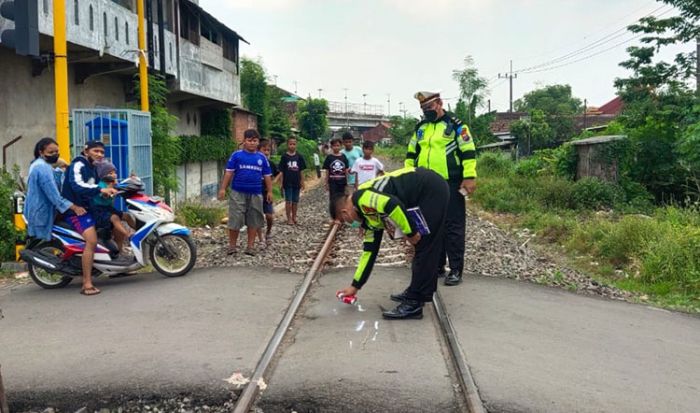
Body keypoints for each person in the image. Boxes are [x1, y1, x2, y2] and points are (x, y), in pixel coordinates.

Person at [334, 167, 448, 320]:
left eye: (344, 222)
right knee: (423, 246)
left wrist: (410, 232)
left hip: (430, 187)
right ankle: (418, 290)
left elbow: (392, 204)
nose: (348, 224)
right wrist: (355, 286)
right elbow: (369, 251)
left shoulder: (361, 197)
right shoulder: (367, 219)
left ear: (344, 212)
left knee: (424, 244)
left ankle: (414, 303)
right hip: (420, 193)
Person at [405, 90, 477, 286]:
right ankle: (437, 266)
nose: (426, 111)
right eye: (423, 108)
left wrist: (469, 176)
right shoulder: (421, 128)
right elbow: (411, 153)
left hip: (450, 183)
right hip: (425, 185)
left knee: (452, 226)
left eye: (429, 107)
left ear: (439, 103)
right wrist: (409, 177)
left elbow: (468, 152)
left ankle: (455, 270)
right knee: (429, 226)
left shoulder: (456, 126)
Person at [62, 140, 119, 296]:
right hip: (76, 210)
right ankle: (86, 283)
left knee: (114, 219)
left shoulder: (93, 167)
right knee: (92, 241)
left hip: (89, 207)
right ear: (86, 151)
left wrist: (109, 189)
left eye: (102, 152)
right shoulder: (78, 164)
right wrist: (101, 190)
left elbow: (96, 186)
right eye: (96, 151)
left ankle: (116, 267)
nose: (99, 154)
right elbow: (77, 185)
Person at [218, 129, 272, 256]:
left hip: (256, 193)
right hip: (238, 192)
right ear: (244, 141)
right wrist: (222, 188)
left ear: (258, 142)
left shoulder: (262, 158)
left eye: (255, 141)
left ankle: (250, 247)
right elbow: (229, 172)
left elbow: (267, 176)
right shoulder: (236, 156)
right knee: (235, 219)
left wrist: (269, 191)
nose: (252, 143)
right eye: (249, 140)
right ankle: (232, 246)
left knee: (254, 220)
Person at [25, 138, 87, 243]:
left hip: (35, 210)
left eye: (56, 152)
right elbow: (54, 196)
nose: (55, 154)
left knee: (38, 242)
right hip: (41, 212)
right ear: (41, 152)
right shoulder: (42, 168)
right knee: (41, 243)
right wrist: (75, 207)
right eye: (51, 152)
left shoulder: (37, 164)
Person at [92, 160, 134, 253]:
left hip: (108, 208)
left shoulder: (114, 183)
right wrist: (109, 190)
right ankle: (129, 235)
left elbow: (123, 187)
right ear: (104, 175)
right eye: (111, 173)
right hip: (99, 209)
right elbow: (104, 195)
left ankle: (139, 233)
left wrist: (131, 181)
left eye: (115, 172)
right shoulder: (101, 184)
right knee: (115, 218)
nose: (114, 175)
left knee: (127, 216)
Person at [278, 136, 306, 225]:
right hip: (287, 182)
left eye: (294, 144)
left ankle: (294, 216)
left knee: (295, 201)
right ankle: (288, 218)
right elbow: (281, 171)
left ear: (296, 145)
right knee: (288, 201)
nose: (292, 146)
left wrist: (302, 181)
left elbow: (301, 170)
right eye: (290, 144)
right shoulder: (284, 157)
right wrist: (281, 183)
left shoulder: (299, 157)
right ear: (287, 145)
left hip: (296, 182)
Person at [258, 139, 281, 245]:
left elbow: (279, 173)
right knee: (256, 216)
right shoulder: (255, 162)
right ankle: (260, 237)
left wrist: (273, 182)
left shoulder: (270, 163)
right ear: (259, 150)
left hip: (267, 193)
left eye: (268, 150)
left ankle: (268, 231)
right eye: (264, 150)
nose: (266, 152)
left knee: (269, 215)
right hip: (256, 192)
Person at [322, 138, 349, 221]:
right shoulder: (329, 157)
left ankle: (341, 216)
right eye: (334, 146)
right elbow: (327, 171)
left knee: (342, 198)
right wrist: (326, 182)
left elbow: (346, 170)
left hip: (342, 181)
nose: (336, 147)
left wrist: (347, 182)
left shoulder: (343, 157)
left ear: (341, 146)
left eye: (338, 145)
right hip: (332, 182)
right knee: (333, 199)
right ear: (331, 147)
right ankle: (334, 216)